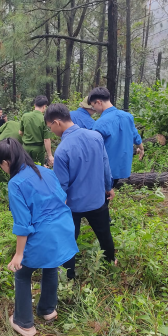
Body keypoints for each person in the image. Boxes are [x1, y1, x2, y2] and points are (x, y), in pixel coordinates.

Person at [0, 138, 78, 336]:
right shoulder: (44, 171)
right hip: (64, 227)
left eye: (1, 165)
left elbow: (23, 224)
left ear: (6, 162)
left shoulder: (15, 183)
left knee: (22, 273)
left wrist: (18, 254)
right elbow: (63, 197)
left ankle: (24, 323)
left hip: (43, 234)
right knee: (51, 265)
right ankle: (47, 309)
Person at [45, 104, 116, 279]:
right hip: (97, 200)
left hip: (73, 205)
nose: (51, 131)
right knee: (104, 233)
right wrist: (109, 187)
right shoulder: (96, 136)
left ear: (57, 122)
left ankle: (68, 277)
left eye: (50, 127)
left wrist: (57, 207)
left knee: (69, 240)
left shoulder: (62, 150)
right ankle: (110, 261)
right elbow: (106, 165)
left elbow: (61, 185)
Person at [88, 87, 144, 195]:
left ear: (98, 102)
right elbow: (135, 135)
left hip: (105, 170)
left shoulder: (100, 123)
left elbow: (92, 149)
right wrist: (141, 148)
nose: (94, 109)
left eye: (93, 106)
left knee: (101, 198)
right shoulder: (127, 117)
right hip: (121, 168)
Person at [19, 95, 54, 166]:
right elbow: (46, 139)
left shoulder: (25, 116)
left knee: (26, 167)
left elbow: (20, 132)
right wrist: (50, 155)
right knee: (38, 168)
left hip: (25, 148)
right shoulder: (44, 119)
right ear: (44, 106)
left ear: (34, 105)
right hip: (38, 149)